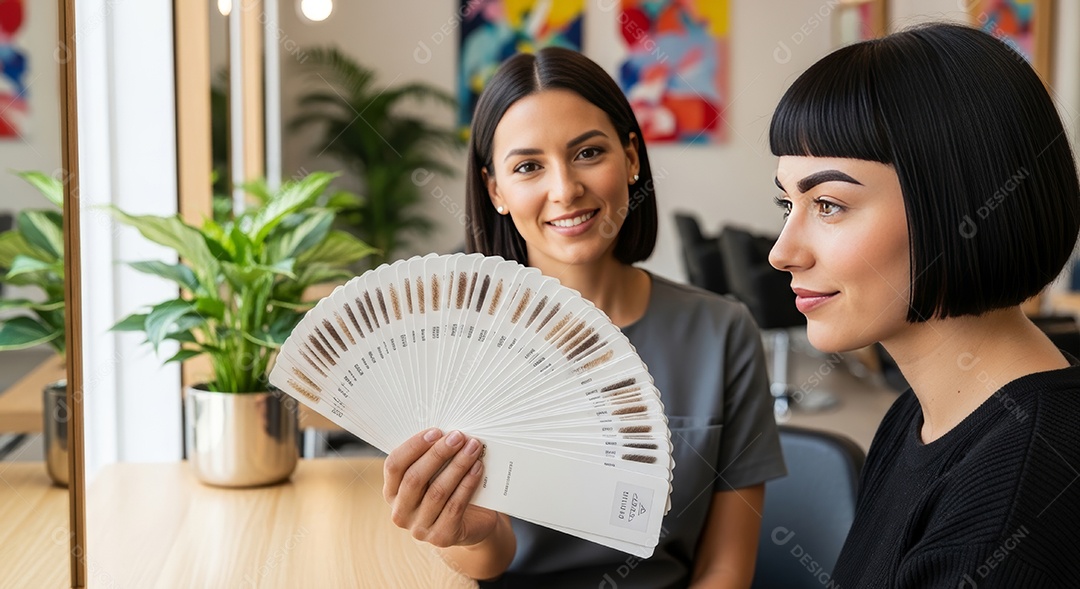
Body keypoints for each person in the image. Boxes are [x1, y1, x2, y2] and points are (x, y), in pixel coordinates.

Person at [381, 47, 786, 588]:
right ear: (495, 190)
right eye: (528, 166)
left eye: (588, 153)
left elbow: (724, 568)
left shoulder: (722, 332)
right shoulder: (454, 345)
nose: (565, 189)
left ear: (632, 158)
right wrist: (471, 532)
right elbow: (489, 561)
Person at [769, 23, 1080, 588]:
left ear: (958, 202)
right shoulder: (914, 418)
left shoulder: (1012, 507)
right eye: (786, 203)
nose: (782, 252)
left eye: (830, 204)